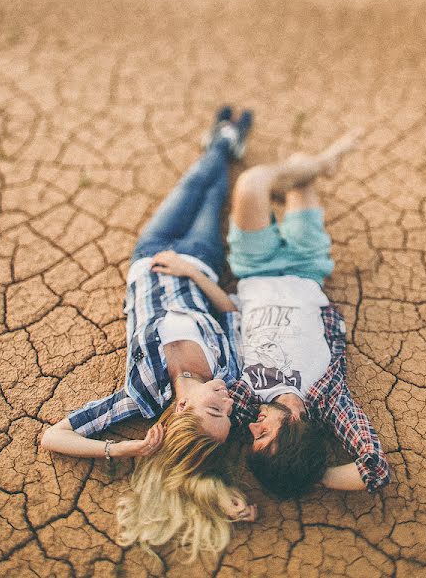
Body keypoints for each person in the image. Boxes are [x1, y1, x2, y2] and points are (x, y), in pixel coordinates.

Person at [41, 107, 256, 562]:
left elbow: (52, 437)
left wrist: (127, 448)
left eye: (216, 407)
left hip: (148, 255)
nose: (228, 398)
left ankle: (222, 140)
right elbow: (231, 310)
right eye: (228, 411)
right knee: (212, 192)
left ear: (182, 407)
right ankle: (225, 141)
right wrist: (191, 274)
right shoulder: (229, 373)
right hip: (198, 261)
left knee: (197, 184)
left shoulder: (137, 395)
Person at [163, 130, 392, 499]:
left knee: (253, 182)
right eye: (264, 436)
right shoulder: (329, 398)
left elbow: (197, 444)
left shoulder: (245, 400)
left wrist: (191, 273)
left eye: (253, 437)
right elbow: (375, 468)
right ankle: (315, 167)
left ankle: (311, 169)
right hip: (306, 266)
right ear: (296, 431)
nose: (253, 429)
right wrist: (308, 474)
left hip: (256, 267)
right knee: (300, 167)